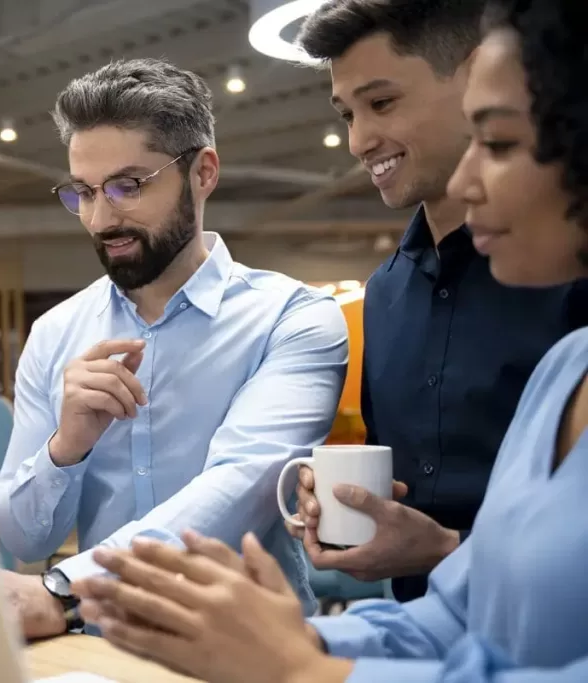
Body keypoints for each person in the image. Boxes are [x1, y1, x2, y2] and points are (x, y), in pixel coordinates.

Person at [71, 0, 588, 680]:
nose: (466, 180)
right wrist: (282, 638)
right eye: (348, 113)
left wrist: (303, 666)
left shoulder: (299, 317)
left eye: (494, 142)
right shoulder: (562, 370)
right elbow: (458, 617)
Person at [0, 58, 350, 635]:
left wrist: (66, 592)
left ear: (203, 172)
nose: (102, 218)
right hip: (100, 650)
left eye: (127, 186)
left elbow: (240, 489)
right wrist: (66, 447)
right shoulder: (56, 332)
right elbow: (23, 536)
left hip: (253, 651)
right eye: (83, 191)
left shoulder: (293, 318)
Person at [288, 0, 587, 601]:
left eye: (382, 103)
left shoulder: (566, 266)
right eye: (347, 114)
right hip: (419, 636)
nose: (358, 140)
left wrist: (447, 550)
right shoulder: (385, 293)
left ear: (475, 77)